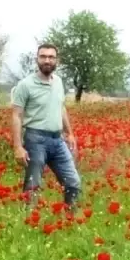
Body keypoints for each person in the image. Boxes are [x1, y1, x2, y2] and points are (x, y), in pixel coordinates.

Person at [11, 43, 81, 210]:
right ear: (37, 59)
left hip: (57, 140)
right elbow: (16, 115)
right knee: (33, 185)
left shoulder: (58, 82)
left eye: (51, 57)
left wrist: (69, 133)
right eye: (43, 57)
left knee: (73, 182)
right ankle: (29, 221)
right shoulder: (25, 85)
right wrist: (18, 147)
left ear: (57, 60)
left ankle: (70, 218)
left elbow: (61, 107)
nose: (47, 60)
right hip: (35, 139)